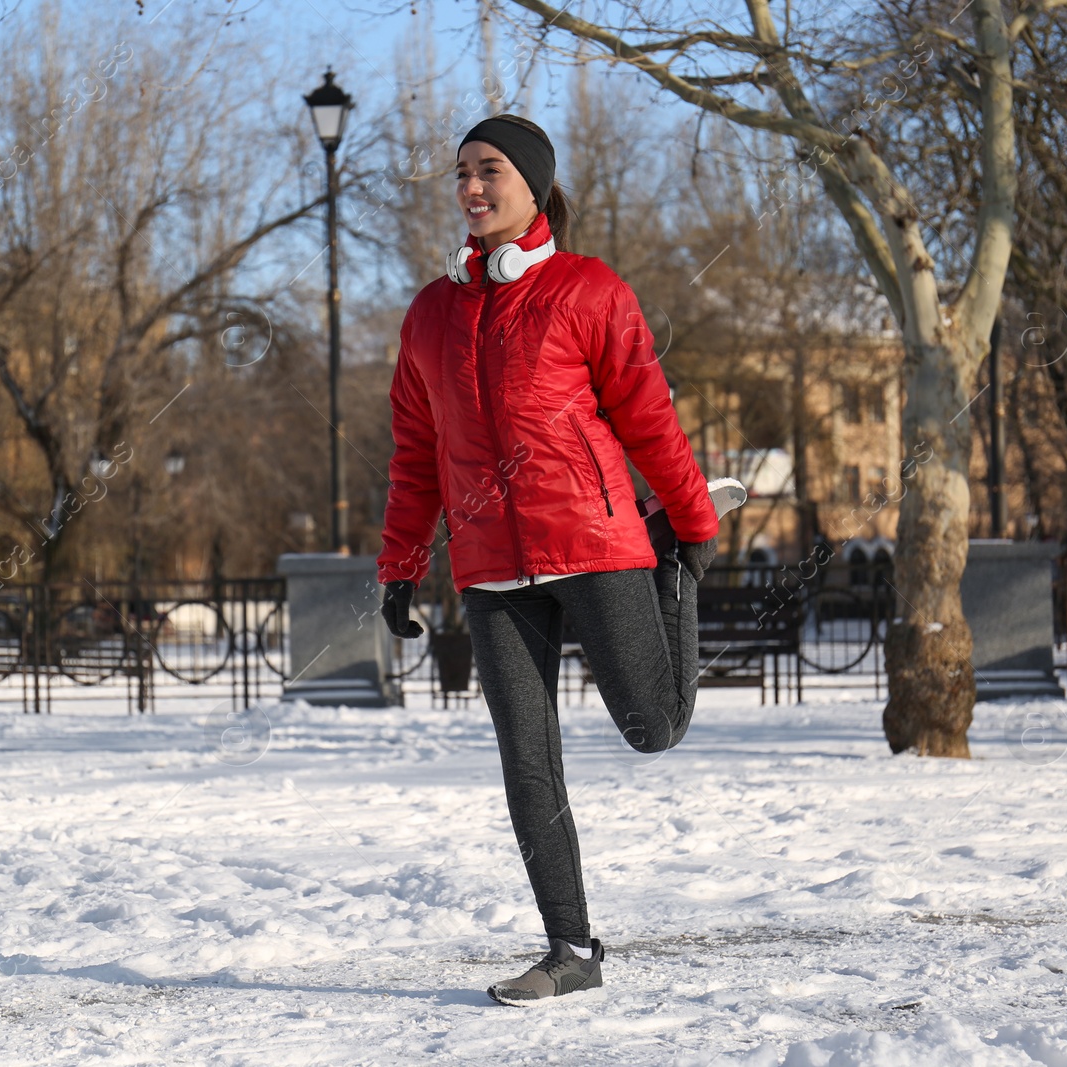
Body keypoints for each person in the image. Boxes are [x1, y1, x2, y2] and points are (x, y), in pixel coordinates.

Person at [375, 113, 724, 1005]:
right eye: (461, 172)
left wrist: (691, 522)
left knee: (652, 727)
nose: (470, 187)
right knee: (527, 762)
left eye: (489, 170)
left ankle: (671, 572)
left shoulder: (587, 290)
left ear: (533, 185)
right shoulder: (429, 315)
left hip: (596, 542)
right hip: (491, 569)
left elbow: (646, 413)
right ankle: (571, 948)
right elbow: (416, 455)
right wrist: (400, 565)